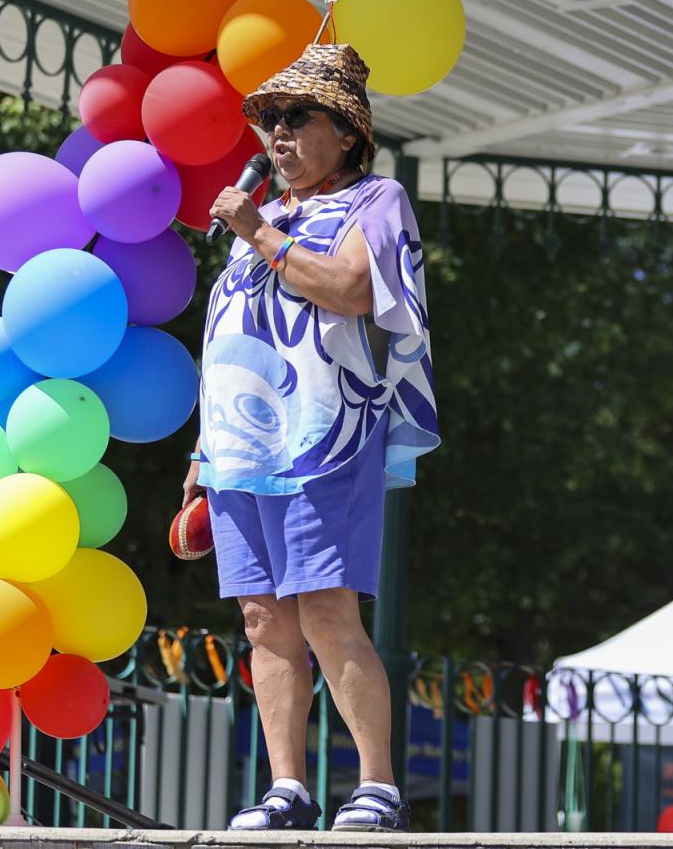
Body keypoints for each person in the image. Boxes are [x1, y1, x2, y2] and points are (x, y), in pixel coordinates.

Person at [185, 42, 439, 832]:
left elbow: (353, 289)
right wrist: (200, 454)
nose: (278, 136)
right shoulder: (258, 222)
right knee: (263, 620)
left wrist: (259, 231)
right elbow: (228, 338)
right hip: (238, 449)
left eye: (298, 119)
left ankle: (378, 786)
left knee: (327, 609)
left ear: (349, 133)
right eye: (270, 121)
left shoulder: (376, 200)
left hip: (324, 436)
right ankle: (287, 789)